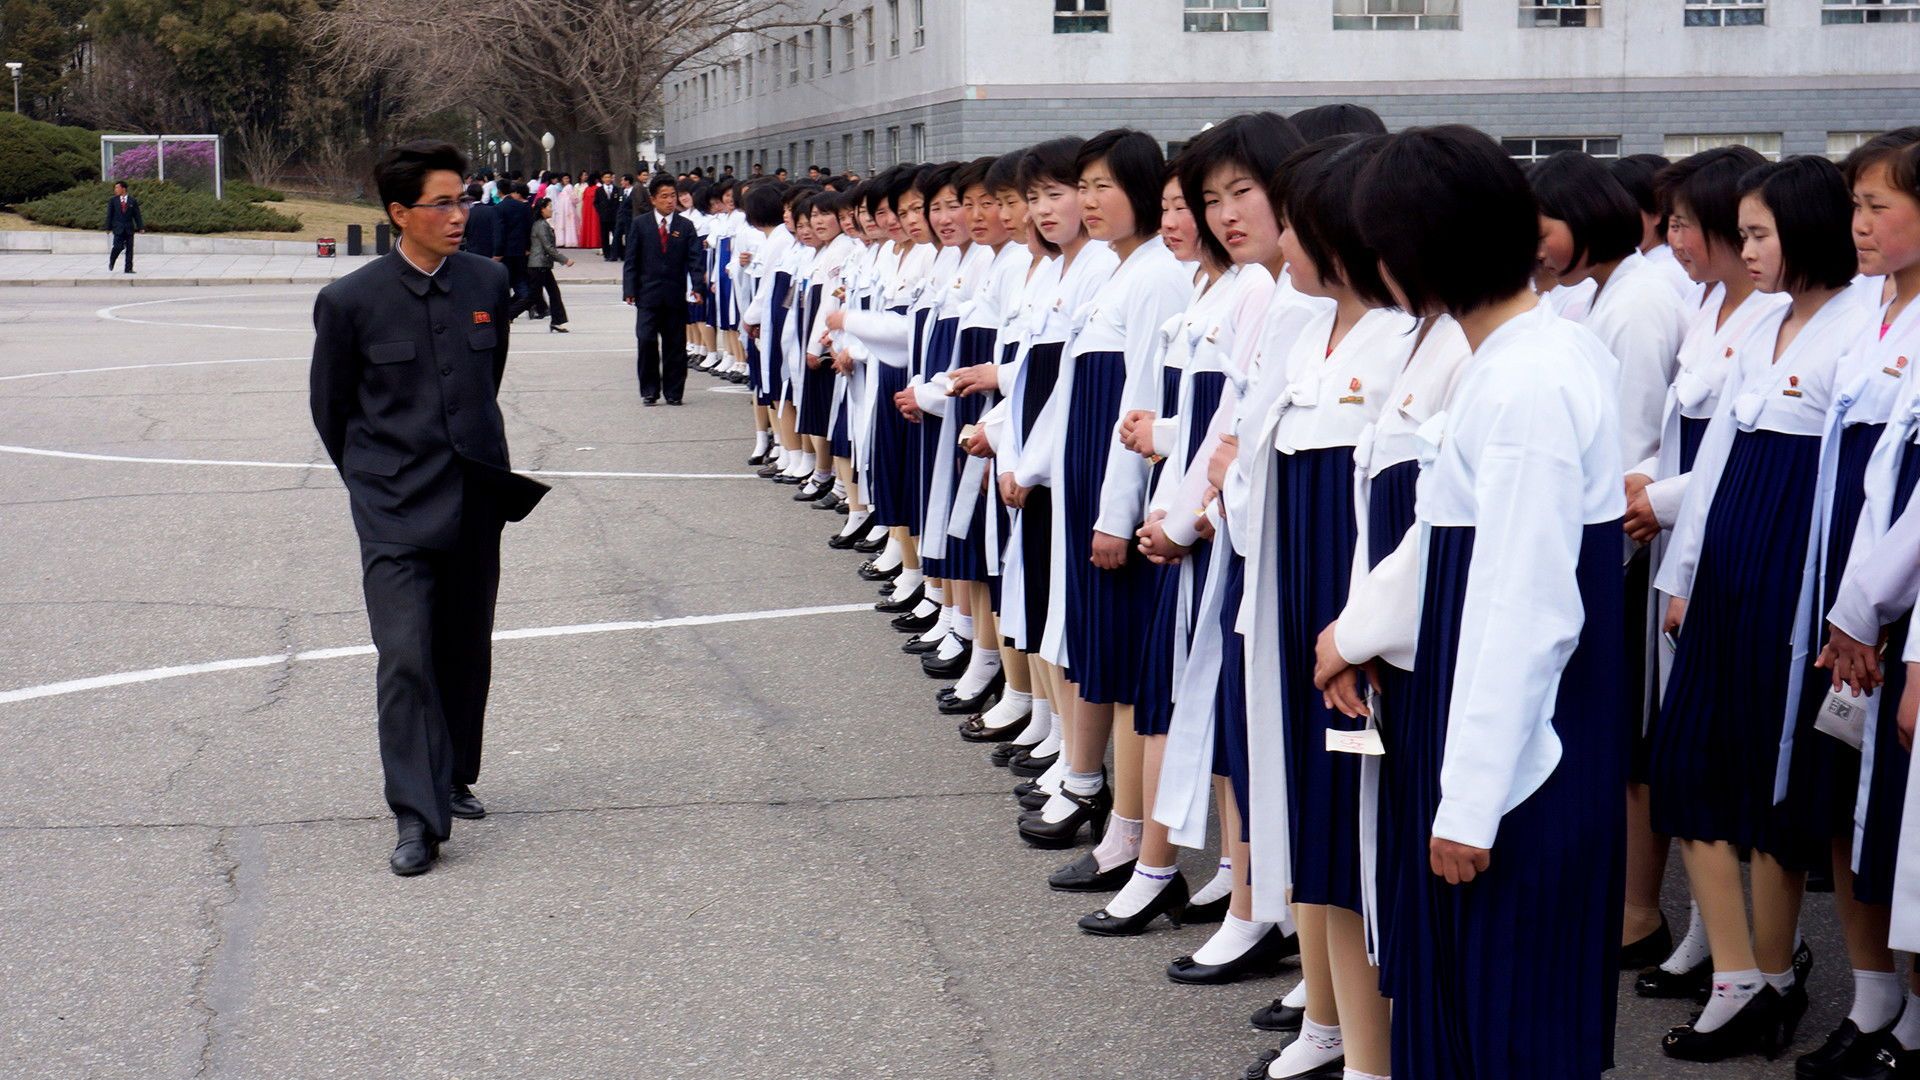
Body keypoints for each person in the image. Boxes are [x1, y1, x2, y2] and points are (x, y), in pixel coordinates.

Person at [1327, 123, 1628, 1080]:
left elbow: (1525, 612)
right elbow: (1444, 541)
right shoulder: (1509, 359)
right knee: (1469, 1000)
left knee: (1508, 1011)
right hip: (1479, 733)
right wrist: (1356, 633)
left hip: (1517, 759)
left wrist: (1471, 803)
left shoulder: (1527, 381)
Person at [307, 139, 548, 877]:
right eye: (442, 202)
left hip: (474, 492)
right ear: (399, 214)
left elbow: (487, 376)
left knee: (463, 645)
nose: (459, 213)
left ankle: (454, 775)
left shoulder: (486, 279)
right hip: (393, 502)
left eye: (462, 198)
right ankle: (417, 815)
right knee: (405, 654)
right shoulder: (350, 299)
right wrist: (374, 481)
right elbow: (332, 408)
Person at [624, 174, 707, 406]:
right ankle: (649, 390)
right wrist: (629, 289)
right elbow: (631, 260)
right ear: (653, 199)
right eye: (664, 197)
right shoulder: (640, 225)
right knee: (646, 340)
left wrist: (698, 287)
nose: (670, 201)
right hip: (647, 296)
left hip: (674, 295)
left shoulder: (685, 226)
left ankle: (674, 391)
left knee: (674, 345)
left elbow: (695, 260)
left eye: (673, 196)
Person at [515, 196, 573, 332]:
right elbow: (548, 247)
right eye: (549, 207)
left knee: (553, 293)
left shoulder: (543, 224)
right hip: (538, 265)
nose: (551, 210)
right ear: (542, 209)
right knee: (533, 296)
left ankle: (557, 321)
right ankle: (508, 315)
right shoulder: (541, 225)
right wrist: (565, 260)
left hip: (543, 265)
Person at [494, 183, 534, 315]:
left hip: (505, 253)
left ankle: (504, 311)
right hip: (520, 251)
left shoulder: (499, 208)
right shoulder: (522, 207)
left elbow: (500, 232)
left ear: (500, 192)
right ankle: (526, 301)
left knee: (505, 283)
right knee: (520, 280)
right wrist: (528, 247)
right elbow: (529, 228)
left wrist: (498, 252)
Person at [105, 181, 143, 274]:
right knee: (118, 247)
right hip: (118, 228)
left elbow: (137, 215)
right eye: (115, 188)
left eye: (117, 188)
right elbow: (109, 215)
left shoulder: (132, 201)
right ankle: (112, 260)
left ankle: (128, 268)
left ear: (123, 189)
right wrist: (108, 227)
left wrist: (140, 227)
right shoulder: (113, 200)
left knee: (130, 249)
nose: (115, 190)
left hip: (129, 228)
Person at [461, 182, 499, 258]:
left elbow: (463, 233)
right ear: (482, 194)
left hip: (472, 251)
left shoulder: (467, 212)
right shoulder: (492, 210)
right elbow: (497, 231)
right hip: (489, 252)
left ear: (468, 195)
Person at [594, 171, 620, 260]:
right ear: (602, 179)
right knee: (604, 237)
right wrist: (600, 212)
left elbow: (619, 202)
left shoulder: (617, 189)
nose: (608, 179)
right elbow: (596, 203)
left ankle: (615, 254)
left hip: (614, 217)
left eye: (609, 177)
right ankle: (607, 254)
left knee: (616, 235)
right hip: (604, 217)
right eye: (606, 177)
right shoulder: (599, 190)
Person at [613, 174, 634, 262]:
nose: (621, 182)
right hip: (620, 217)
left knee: (628, 237)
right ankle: (614, 255)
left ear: (627, 181)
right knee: (617, 235)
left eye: (623, 180)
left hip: (629, 217)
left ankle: (628, 255)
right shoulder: (621, 191)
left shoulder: (634, 191)